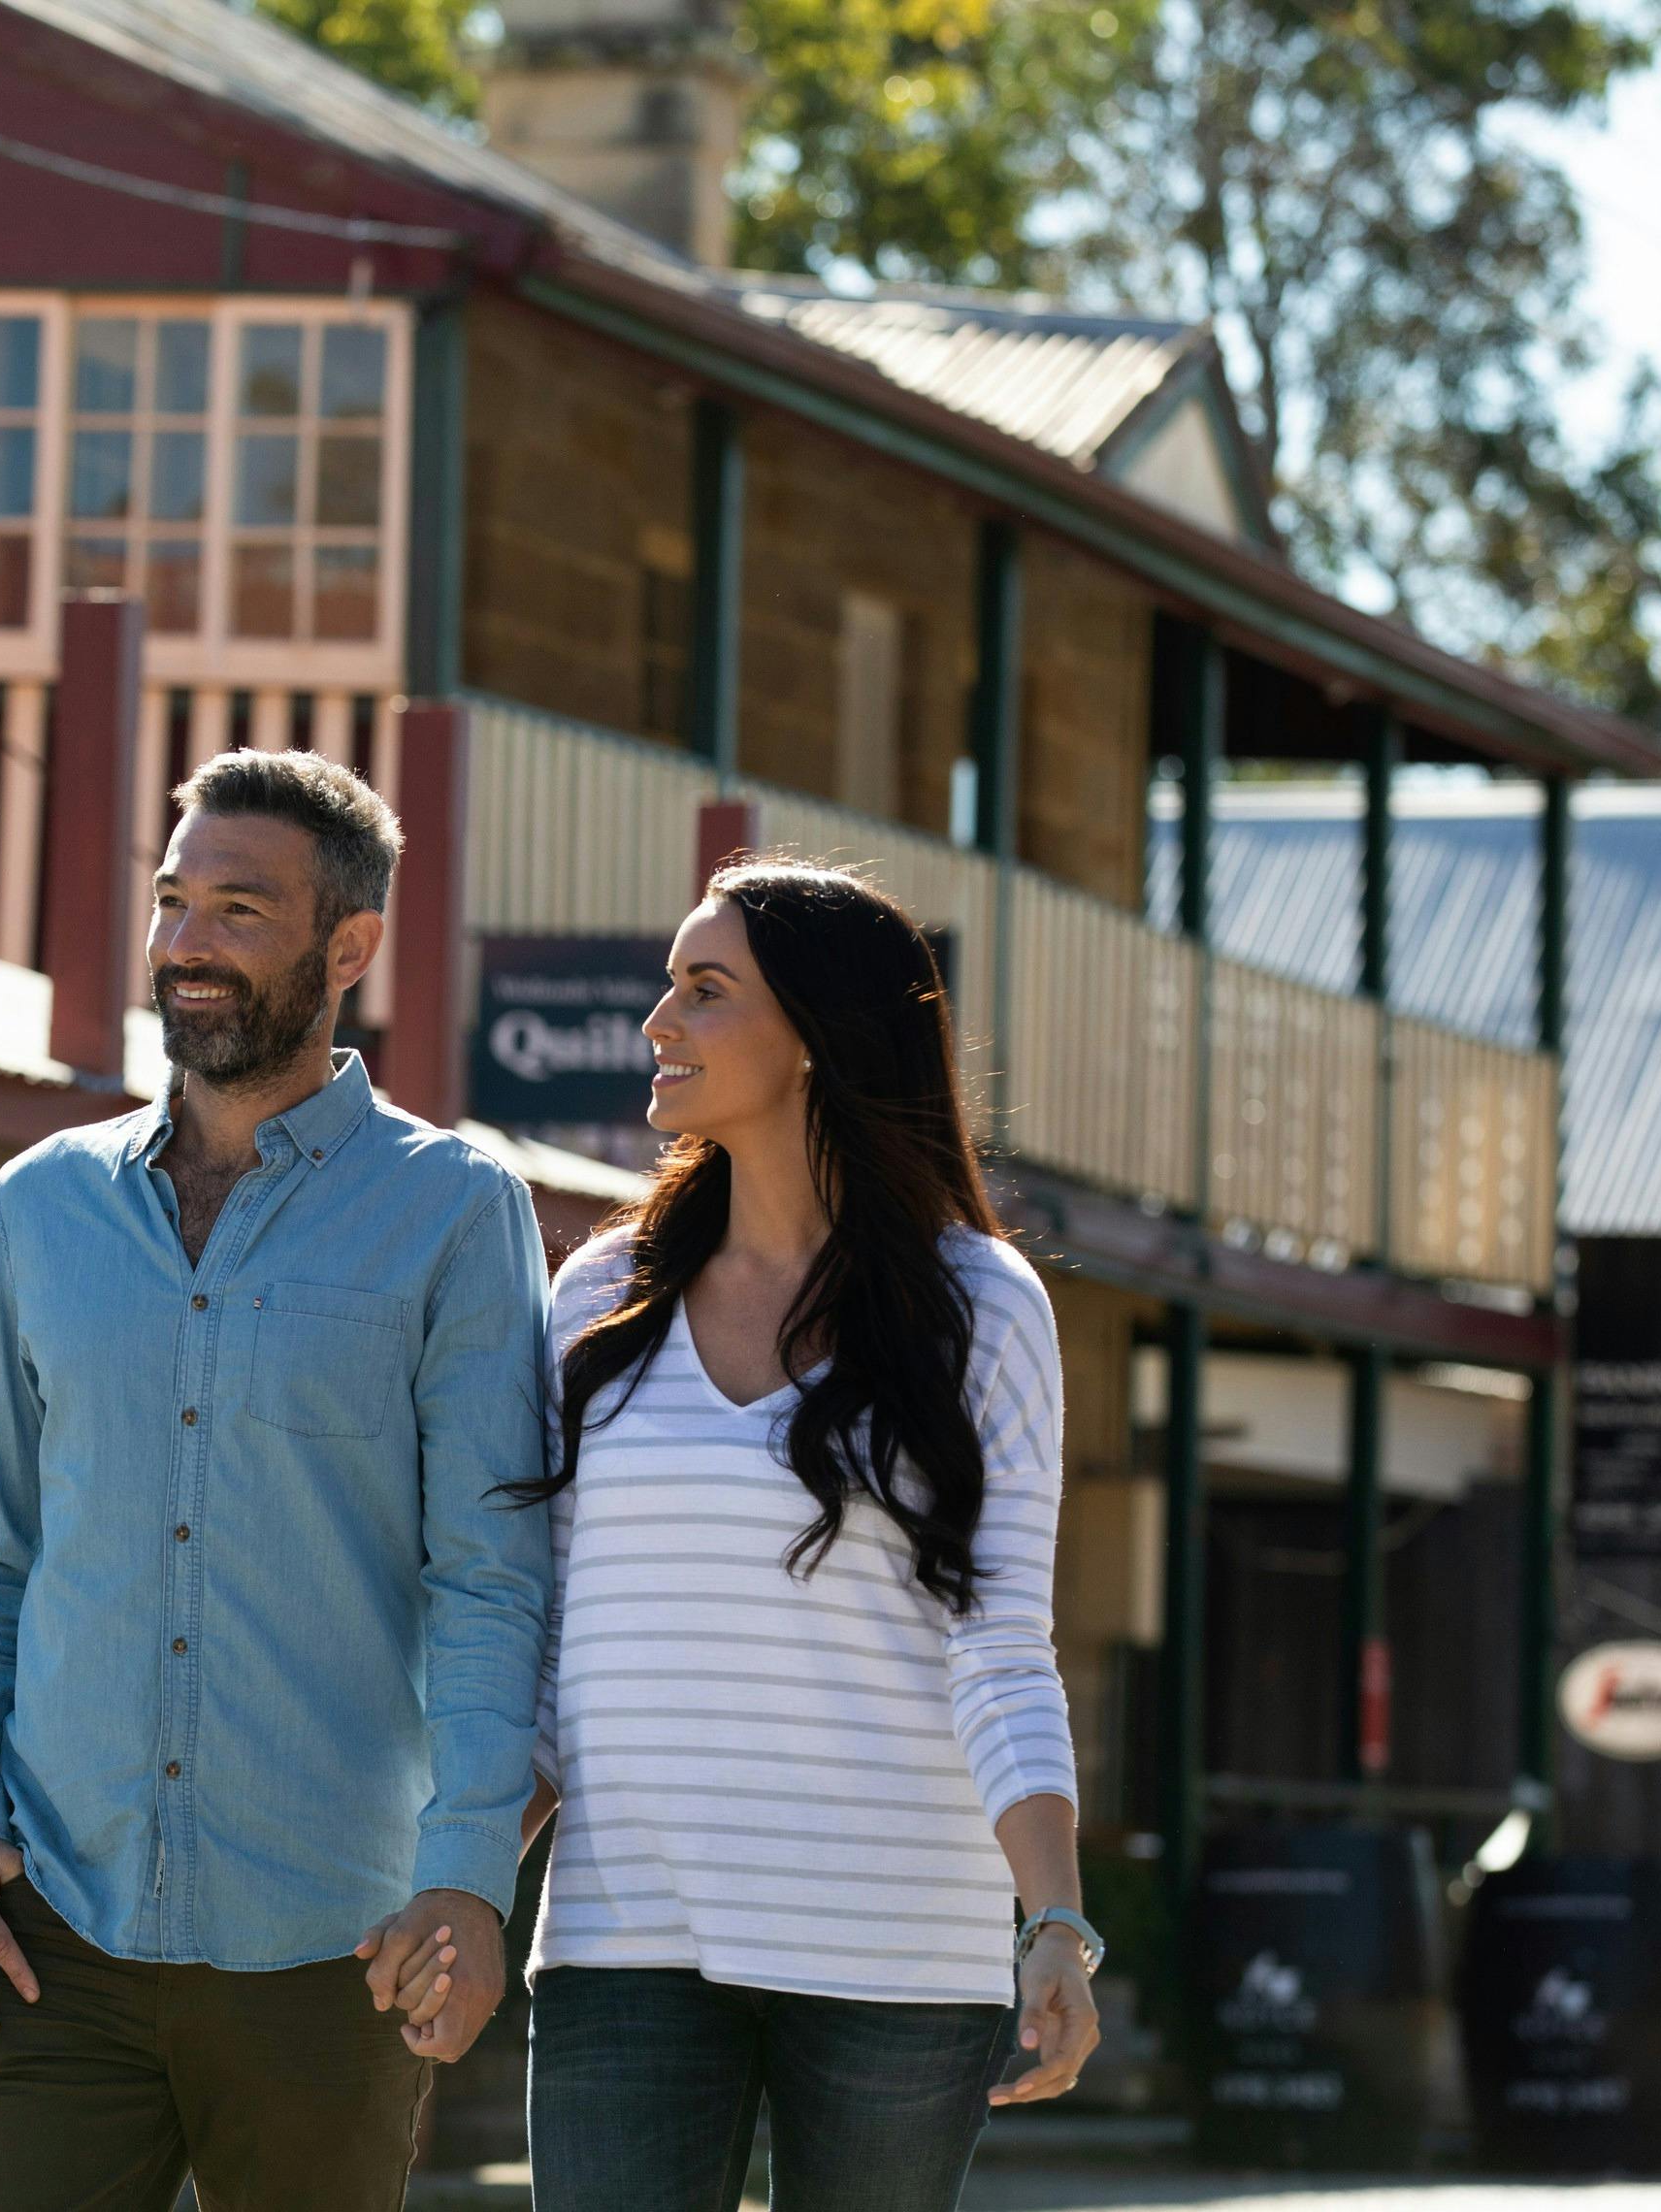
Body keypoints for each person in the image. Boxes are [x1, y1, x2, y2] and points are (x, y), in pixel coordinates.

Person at [0, 748, 552, 2212]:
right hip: (46, 1937)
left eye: (238, 910)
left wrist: (465, 1875)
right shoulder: (42, 1207)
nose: (185, 944)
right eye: (171, 901)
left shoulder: (454, 1214)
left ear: (350, 948)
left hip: (330, 1950)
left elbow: (492, 1582)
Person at [482, 860, 1101, 2212]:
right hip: (624, 1936)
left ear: (817, 1039)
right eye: (668, 986)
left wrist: (1053, 1917)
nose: (658, 1023)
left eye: (706, 991)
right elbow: (551, 1641)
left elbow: (1001, 1646)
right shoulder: (600, 1295)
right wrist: (466, 1884)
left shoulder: (979, 1308)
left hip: (897, 1956)